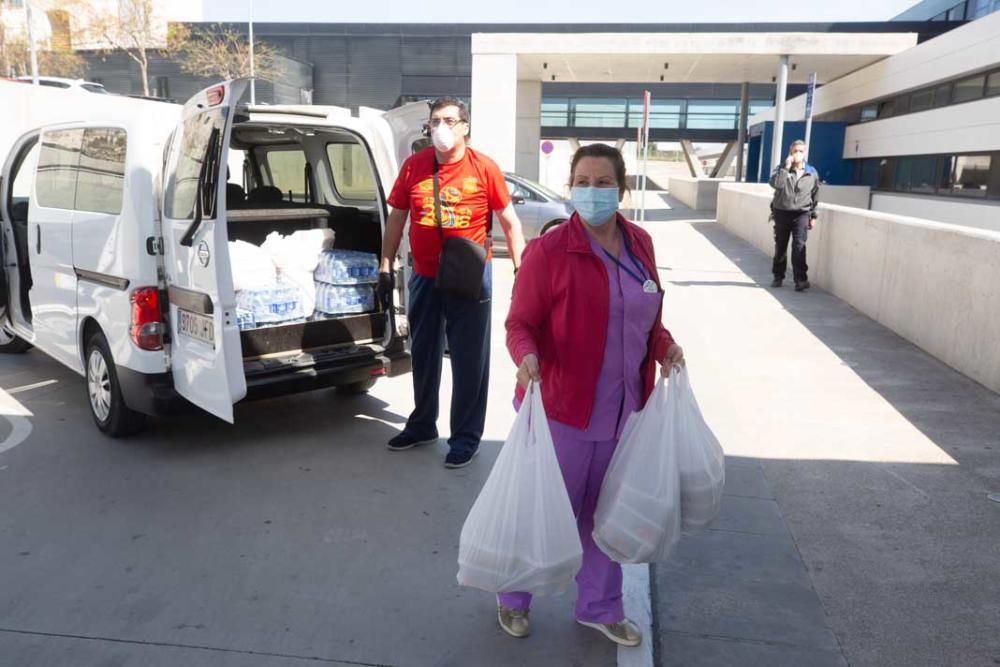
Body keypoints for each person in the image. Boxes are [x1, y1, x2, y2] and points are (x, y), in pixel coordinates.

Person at [499, 144, 684, 646]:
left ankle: (599, 606)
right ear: (571, 186)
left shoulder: (641, 244)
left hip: (624, 412)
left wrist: (664, 346)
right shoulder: (549, 251)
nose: (593, 190)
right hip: (564, 411)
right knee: (545, 510)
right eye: (584, 180)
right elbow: (520, 323)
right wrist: (526, 357)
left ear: (622, 190)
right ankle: (514, 595)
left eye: (604, 182)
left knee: (605, 518)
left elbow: (646, 315)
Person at [378, 97, 526, 468]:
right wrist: (385, 266)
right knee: (424, 353)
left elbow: (511, 223)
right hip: (425, 275)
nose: (440, 127)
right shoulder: (414, 166)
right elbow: (396, 219)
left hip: (470, 277)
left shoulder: (484, 168)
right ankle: (423, 423)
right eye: (434, 121)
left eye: (448, 120)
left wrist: (521, 271)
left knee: (468, 359)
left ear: (465, 127)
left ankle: (465, 437)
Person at [768, 139, 819, 292]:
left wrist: (814, 215)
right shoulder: (781, 169)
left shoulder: (811, 172)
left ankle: (801, 279)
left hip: (801, 214)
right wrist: (786, 168)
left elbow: (815, 195)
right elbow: (776, 184)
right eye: (795, 151)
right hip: (782, 212)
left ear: (805, 153)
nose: (798, 154)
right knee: (781, 246)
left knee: (799, 246)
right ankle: (778, 276)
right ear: (790, 153)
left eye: (801, 151)